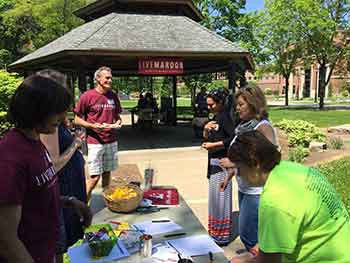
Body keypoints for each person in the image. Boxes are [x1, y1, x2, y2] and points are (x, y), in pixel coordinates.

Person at [0, 74, 92, 263]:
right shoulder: (11, 156)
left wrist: (69, 201)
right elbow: (6, 239)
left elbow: (33, 194)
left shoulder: (35, 141)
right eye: (57, 111)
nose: (63, 117)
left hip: (45, 249)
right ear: (36, 110)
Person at [228, 130, 350, 263]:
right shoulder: (295, 170)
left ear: (255, 163)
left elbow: (268, 262)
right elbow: (281, 232)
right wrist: (257, 250)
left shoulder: (274, 201)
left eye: (239, 168)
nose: (238, 175)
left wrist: (244, 261)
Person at [37, 69, 88, 263]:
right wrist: (75, 143)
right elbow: (53, 165)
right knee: (57, 248)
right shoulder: (47, 125)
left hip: (66, 197)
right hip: (59, 196)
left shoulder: (55, 122)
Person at [219, 85, 278, 253]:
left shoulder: (263, 127)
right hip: (245, 187)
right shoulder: (244, 126)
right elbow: (240, 153)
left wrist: (235, 163)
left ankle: (259, 259)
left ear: (253, 104)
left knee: (248, 235)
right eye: (237, 105)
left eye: (241, 104)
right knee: (251, 235)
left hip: (257, 190)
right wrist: (229, 175)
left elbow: (268, 159)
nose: (237, 109)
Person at [74, 66, 123, 200]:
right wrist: (91, 125)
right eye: (107, 77)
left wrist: (118, 123)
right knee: (94, 178)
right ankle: (81, 205)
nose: (110, 80)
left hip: (111, 141)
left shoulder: (112, 95)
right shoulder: (87, 96)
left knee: (107, 174)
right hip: (95, 143)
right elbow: (77, 119)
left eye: (111, 77)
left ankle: (106, 202)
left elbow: (117, 116)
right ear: (98, 79)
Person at [201, 88, 235, 246]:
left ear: (221, 103)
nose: (209, 108)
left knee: (221, 199)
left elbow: (233, 138)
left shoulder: (226, 118)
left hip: (222, 163)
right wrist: (205, 131)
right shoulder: (215, 117)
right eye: (208, 105)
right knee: (214, 200)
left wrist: (214, 144)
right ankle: (214, 232)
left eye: (212, 104)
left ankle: (221, 236)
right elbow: (208, 137)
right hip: (213, 162)